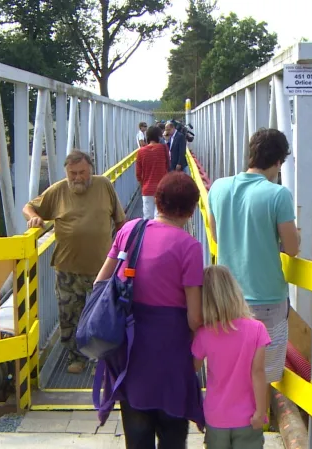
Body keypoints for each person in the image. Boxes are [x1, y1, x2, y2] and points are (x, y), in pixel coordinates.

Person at [94, 171, 205, 449]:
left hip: (129, 350)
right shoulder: (190, 247)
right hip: (171, 352)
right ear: (191, 210)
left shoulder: (129, 230)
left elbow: (100, 282)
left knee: (137, 431)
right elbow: (194, 317)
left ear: (157, 200)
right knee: (171, 434)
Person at [206, 128, 299, 384]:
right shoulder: (278, 194)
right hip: (267, 299)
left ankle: (227, 419)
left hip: (227, 296)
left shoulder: (218, 187)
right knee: (263, 376)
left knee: (229, 370)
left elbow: (215, 236)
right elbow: (291, 248)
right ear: (278, 162)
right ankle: (256, 421)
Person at [22, 150, 126, 374]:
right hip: (68, 268)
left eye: (82, 173)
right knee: (70, 315)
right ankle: (76, 357)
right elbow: (28, 207)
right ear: (66, 173)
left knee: (105, 314)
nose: (77, 178)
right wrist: (33, 218)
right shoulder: (58, 190)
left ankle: (104, 359)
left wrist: (124, 257)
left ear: (91, 170)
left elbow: (120, 222)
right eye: (73, 174)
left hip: (103, 268)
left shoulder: (104, 185)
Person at [193, 265, 270, 449]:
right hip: (248, 418)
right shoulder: (257, 329)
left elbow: (191, 369)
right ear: (234, 291)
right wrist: (260, 412)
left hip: (215, 418)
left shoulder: (203, 334)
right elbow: (258, 373)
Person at [135, 125, 170, 219]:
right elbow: (168, 166)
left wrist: (144, 184)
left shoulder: (141, 152)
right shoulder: (163, 148)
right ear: (159, 136)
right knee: (159, 216)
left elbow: (138, 174)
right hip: (161, 188)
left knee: (147, 217)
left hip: (147, 189)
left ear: (148, 137)